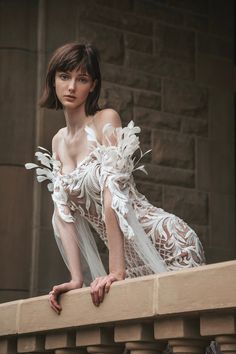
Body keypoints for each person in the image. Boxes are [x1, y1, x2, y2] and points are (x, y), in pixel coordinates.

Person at [25, 42, 206, 315]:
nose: (72, 86)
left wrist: (116, 270)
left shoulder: (105, 120)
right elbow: (63, 215)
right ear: (53, 80)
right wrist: (76, 278)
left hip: (167, 242)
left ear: (93, 85)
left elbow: (113, 195)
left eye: (82, 79)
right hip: (128, 261)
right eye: (64, 76)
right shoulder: (57, 141)